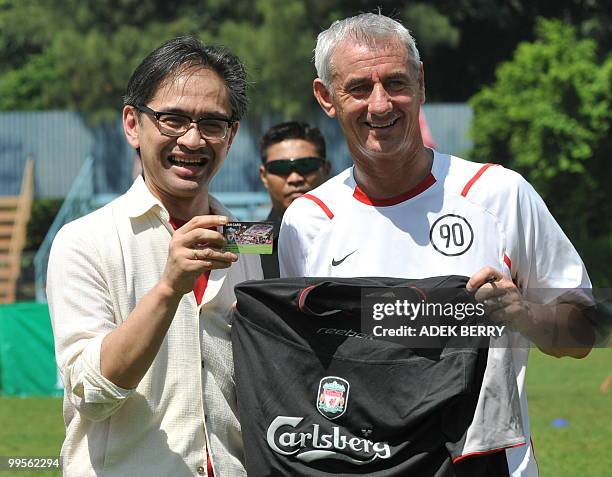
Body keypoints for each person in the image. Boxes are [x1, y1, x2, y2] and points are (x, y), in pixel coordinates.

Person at [279, 13, 595, 477]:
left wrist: (525, 314)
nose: (381, 105)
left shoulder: (498, 194)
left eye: (396, 82)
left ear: (421, 83)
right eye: (359, 88)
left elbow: (585, 331)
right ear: (326, 97)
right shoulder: (307, 221)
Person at [47, 36, 262, 477]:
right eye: (173, 119)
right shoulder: (85, 240)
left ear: (232, 134)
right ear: (132, 124)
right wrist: (167, 289)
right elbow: (90, 393)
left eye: (213, 123)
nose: (192, 139)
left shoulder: (250, 240)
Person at [258, 121, 330, 278]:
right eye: (280, 168)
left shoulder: (350, 232)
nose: (294, 178)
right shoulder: (246, 238)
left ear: (325, 169)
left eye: (306, 165)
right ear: (263, 176)